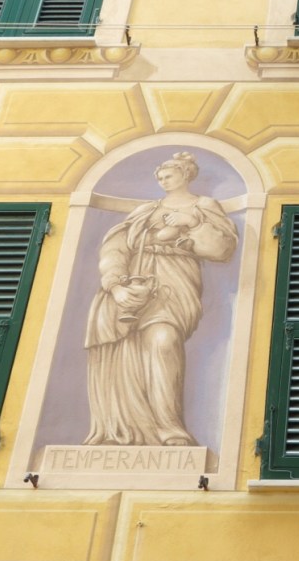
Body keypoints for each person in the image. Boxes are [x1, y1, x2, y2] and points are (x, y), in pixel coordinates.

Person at [84, 152, 238, 446]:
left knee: (164, 340)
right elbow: (116, 247)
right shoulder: (147, 209)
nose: (163, 181)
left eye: (169, 175)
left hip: (174, 280)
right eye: (160, 177)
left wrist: (193, 222)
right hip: (134, 280)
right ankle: (128, 428)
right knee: (126, 350)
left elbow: (222, 249)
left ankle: (170, 427)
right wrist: (115, 285)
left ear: (185, 174)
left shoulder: (204, 205)